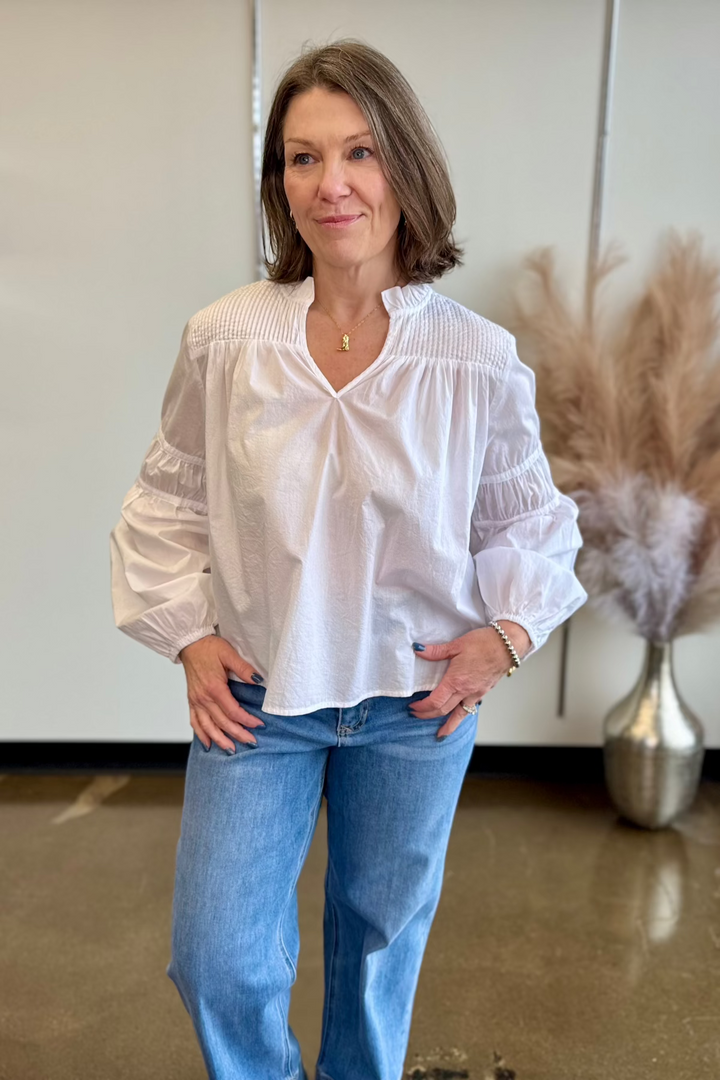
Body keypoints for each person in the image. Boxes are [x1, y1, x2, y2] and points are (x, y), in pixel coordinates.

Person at [109, 38, 587, 1080]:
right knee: (217, 959)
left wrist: (501, 642)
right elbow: (167, 500)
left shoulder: (475, 357)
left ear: (404, 167)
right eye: (301, 158)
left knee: (378, 949)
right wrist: (187, 637)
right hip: (261, 697)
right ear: (279, 184)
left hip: (418, 705)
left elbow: (532, 522)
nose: (331, 185)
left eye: (359, 152)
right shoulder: (226, 340)